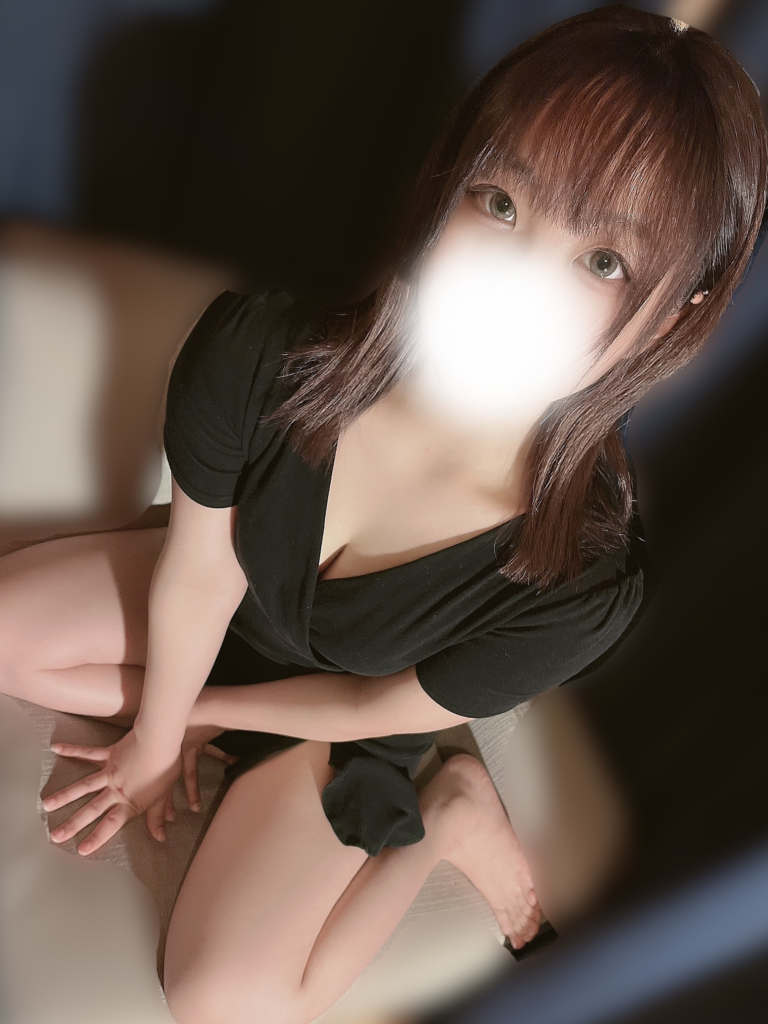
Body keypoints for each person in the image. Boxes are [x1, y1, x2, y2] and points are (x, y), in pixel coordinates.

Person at [0, 7, 765, 1024]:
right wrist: (155, 733)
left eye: (604, 261)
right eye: (501, 201)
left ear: (674, 314)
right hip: (225, 602)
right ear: (451, 182)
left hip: (344, 720)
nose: (518, 273)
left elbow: (373, 713)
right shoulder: (258, 354)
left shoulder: (583, 583)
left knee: (220, 1000)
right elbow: (199, 569)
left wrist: (197, 718)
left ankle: (448, 813)